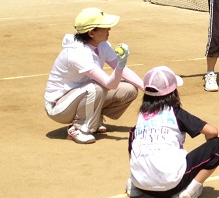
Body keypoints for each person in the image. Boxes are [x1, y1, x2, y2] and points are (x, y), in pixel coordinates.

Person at [126, 66, 219, 198]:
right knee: (218, 145)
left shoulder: (142, 116)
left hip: (140, 183)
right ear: (173, 92)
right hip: (172, 185)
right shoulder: (175, 112)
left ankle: (134, 183)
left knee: (134, 134)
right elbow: (212, 131)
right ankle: (189, 191)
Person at [44, 8, 144, 144]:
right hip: (59, 108)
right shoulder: (77, 53)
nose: (109, 29)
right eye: (104, 27)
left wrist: (147, 88)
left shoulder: (102, 45)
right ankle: (78, 128)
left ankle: (94, 118)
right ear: (91, 33)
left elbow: (123, 72)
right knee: (96, 87)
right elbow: (110, 84)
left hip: (81, 95)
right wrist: (121, 64)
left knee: (129, 89)